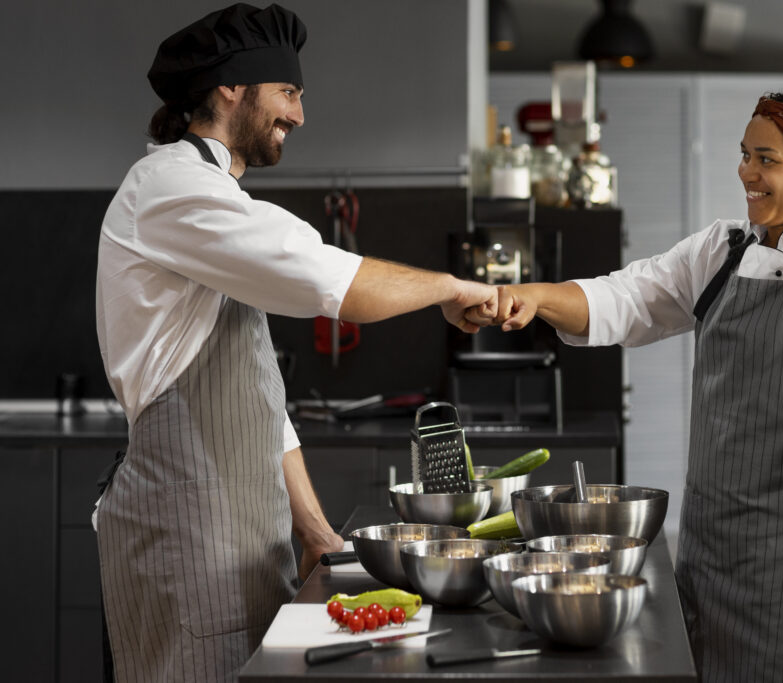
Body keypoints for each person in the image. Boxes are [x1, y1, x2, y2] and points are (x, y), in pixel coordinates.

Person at [94, 4, 497, 681]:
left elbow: (257, 400)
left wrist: (310, 526)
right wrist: (451, 288)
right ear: (231, 88)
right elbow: (327, 279)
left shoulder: (217, 202)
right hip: (189, 533)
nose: (300, 114)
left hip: (245, 539)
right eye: (289, 92)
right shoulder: (169, 188)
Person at [477, 80, 783, 681]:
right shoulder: (722, 250)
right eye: (745, 153)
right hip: (706, 557)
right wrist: (528, 296)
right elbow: (626, 297)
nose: (746, 173)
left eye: (767, 159)